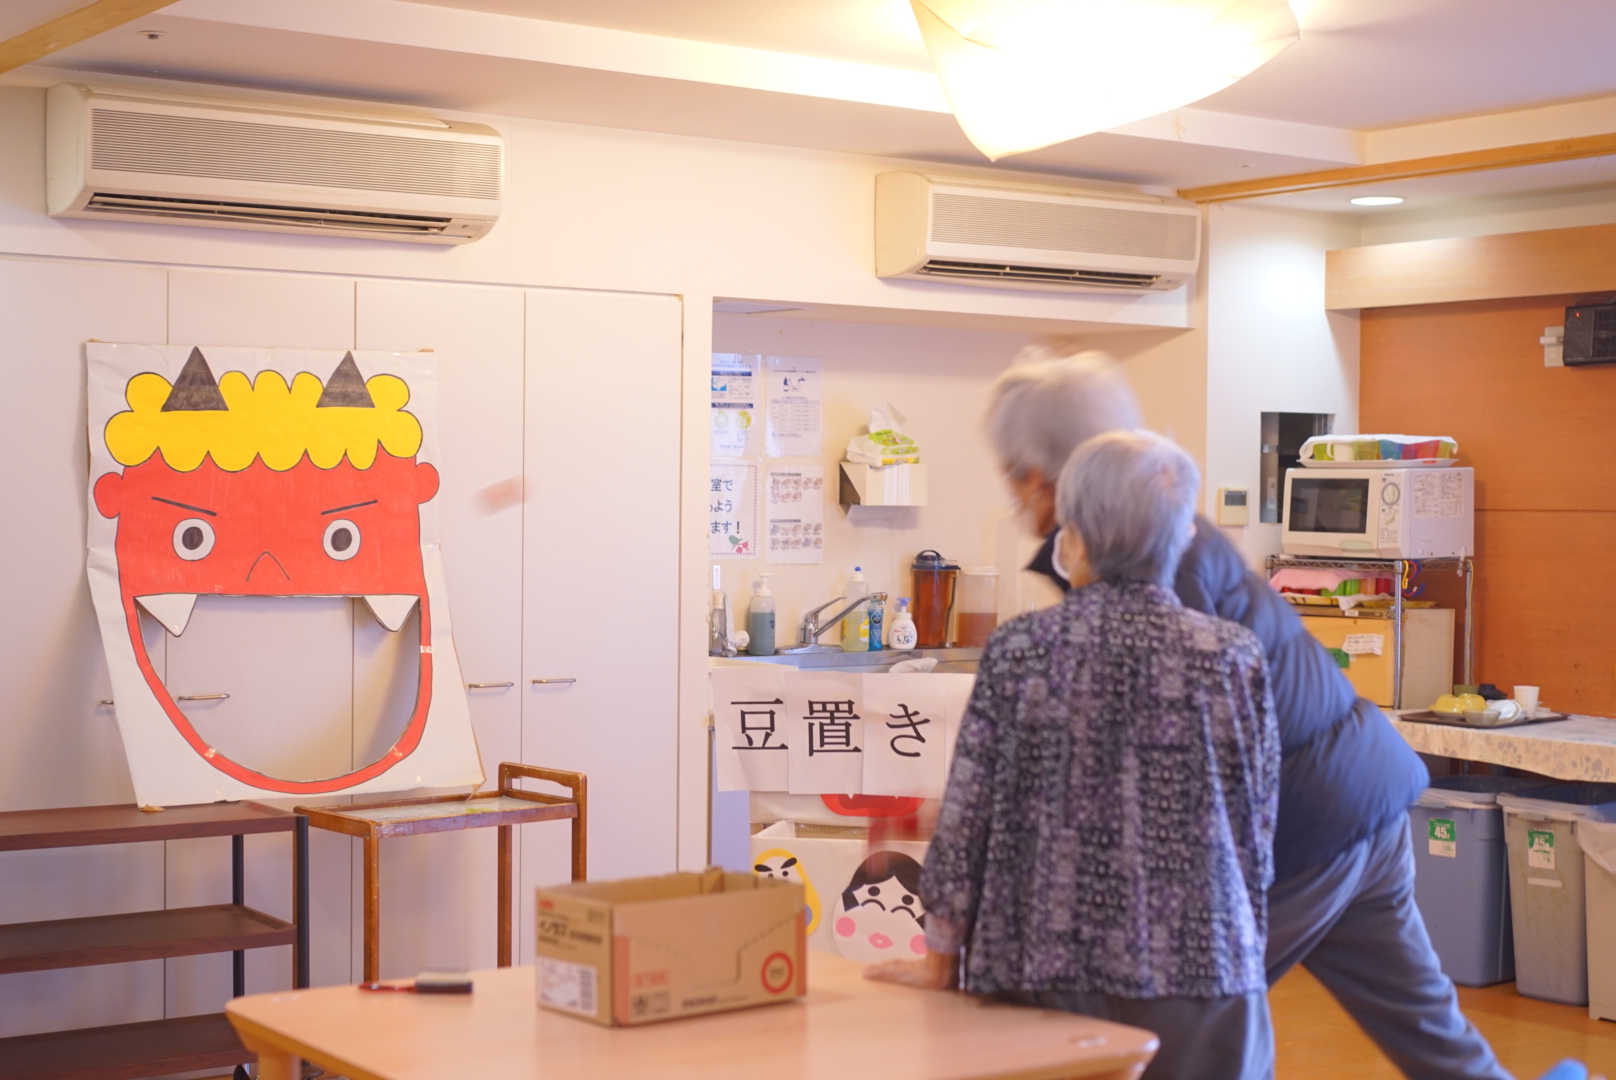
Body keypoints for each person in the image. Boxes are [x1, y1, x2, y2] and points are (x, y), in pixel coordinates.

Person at [981, 348, 1511, 1080]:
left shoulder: (1142, 559)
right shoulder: (1162, 528)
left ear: (1043, 476)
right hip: (1360, 795)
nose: (1017, 495)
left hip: (1303, 824)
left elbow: (1164, 747)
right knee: (1429, 1033)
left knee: (1173, 1018)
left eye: (1015, 475)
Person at [913, 431, 1280, 1080]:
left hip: (1041, 967)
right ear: (1184, 539)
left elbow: (967, 816)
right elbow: (1256, 825)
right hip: (1204, 966)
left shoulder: (1022, 650)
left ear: (1073, 541)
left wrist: (941, 954)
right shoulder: (1231, 656)